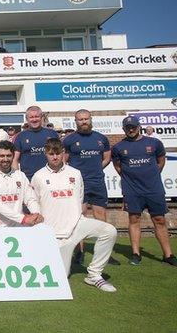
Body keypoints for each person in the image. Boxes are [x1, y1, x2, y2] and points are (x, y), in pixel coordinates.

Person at [32, 138, 117, 292]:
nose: (55, 157)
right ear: (46, 154)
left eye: (58, 153)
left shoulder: (75, 173)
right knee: (61, 278)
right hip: (56, 233)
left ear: (63, 153)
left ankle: (94, 275)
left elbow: (79, 198)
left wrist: (77, 219)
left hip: (77, 224)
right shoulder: (38, 176)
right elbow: (35, 204)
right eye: (51, 154)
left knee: (109, 231)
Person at [112, 116, 177, 266]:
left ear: (139, 126)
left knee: (159, 220)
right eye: (128, 127)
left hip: (153, 189)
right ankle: (136, 254)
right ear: (123, 129)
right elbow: (118, 166)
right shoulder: (118, 147)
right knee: (134, 219)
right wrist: (131, 178)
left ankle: (168, 255)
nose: (131, 129)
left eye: (133, 126)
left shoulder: (154, 143)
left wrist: (151, 175)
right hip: (132, 190)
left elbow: (161, 162)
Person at [63, 109, 118, 265]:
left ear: (91, 119)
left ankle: (105, 254)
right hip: (78, 184)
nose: (84, 122)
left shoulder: (101, 138)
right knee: (79, 217)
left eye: (86, 118)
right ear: (76, 121)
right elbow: (64, 161)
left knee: (101, 216)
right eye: (80, 119)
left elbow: (107, 157)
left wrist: (97, 169)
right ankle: (78, 252)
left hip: (97, 182)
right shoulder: (69, 140)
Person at [0, 141, 43, 227]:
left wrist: (36, 214)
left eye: (9, 156)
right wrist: (23, 219)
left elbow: (30, 198)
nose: (5, 159)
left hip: (19, 226)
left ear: (13, 156)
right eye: (2, 156)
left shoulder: (20, 175)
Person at [13, 106, 59, 181]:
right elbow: (14, 159)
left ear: (41, 117)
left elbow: (60, 155)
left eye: (37, 116)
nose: (34, 119)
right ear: (27, 119)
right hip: (29, 179)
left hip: (52, 177)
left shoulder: (52, 134)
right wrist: (19, 178)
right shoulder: (20, 136)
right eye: (31, 117)